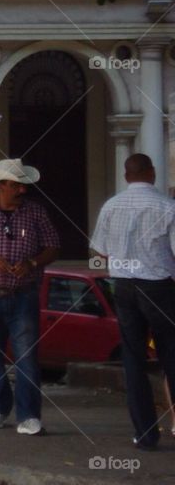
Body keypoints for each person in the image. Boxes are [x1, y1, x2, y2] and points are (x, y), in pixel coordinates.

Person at [0, 158, 60, 436]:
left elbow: (52, 247)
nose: (22, 191)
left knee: (27, 356)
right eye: (16, 185)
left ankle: (29, 415)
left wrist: (32, 262)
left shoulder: (36, 213)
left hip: (23, 295)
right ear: (1, 186)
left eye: (23, 186)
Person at [89, 153, 175, 450]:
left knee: (133, 359)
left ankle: (145, 433)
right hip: (159, 286)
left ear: (127, 176)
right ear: (151, 172)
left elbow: (99, 251)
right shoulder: (167, 206)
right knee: (171, 357)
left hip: (123, 285)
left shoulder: (111, 206)